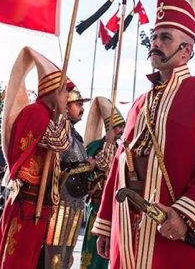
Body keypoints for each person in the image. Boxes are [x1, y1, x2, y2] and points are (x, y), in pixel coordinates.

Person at [91, 0, 195, 269]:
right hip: (127, 232)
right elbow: (119, 164)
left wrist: (184, 214)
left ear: (187, 50)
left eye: (165, 37)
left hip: (174, 233)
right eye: (154, 36)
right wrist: (107, 223)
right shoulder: (139, 102)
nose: (156, 42)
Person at [0, 47, 75, 269]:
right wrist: (61, 114)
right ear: (52, 92)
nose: (67, 99)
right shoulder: (36, 113)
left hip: (41, 204)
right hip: (29, 203)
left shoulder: (48, 116)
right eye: (65, 92)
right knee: (18, 263)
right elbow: (61, 143)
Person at [41, 87, 93, 269]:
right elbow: (62, 164)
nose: (82, 109)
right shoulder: (59, 130)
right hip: (60, 201)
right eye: (78, 104)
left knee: (67, 256)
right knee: (54, 255)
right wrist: (89, 165)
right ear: (66, 105)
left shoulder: (76, 136)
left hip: (76, 201)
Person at [81, 96, 126, 269]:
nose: (121, 130)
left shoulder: (120, 147)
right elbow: (104, 165)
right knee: (94, 250)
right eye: (119, 127)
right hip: (98, 206)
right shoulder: (96, 146)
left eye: (122, 126)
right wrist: (107, 142)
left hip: (115, 207)